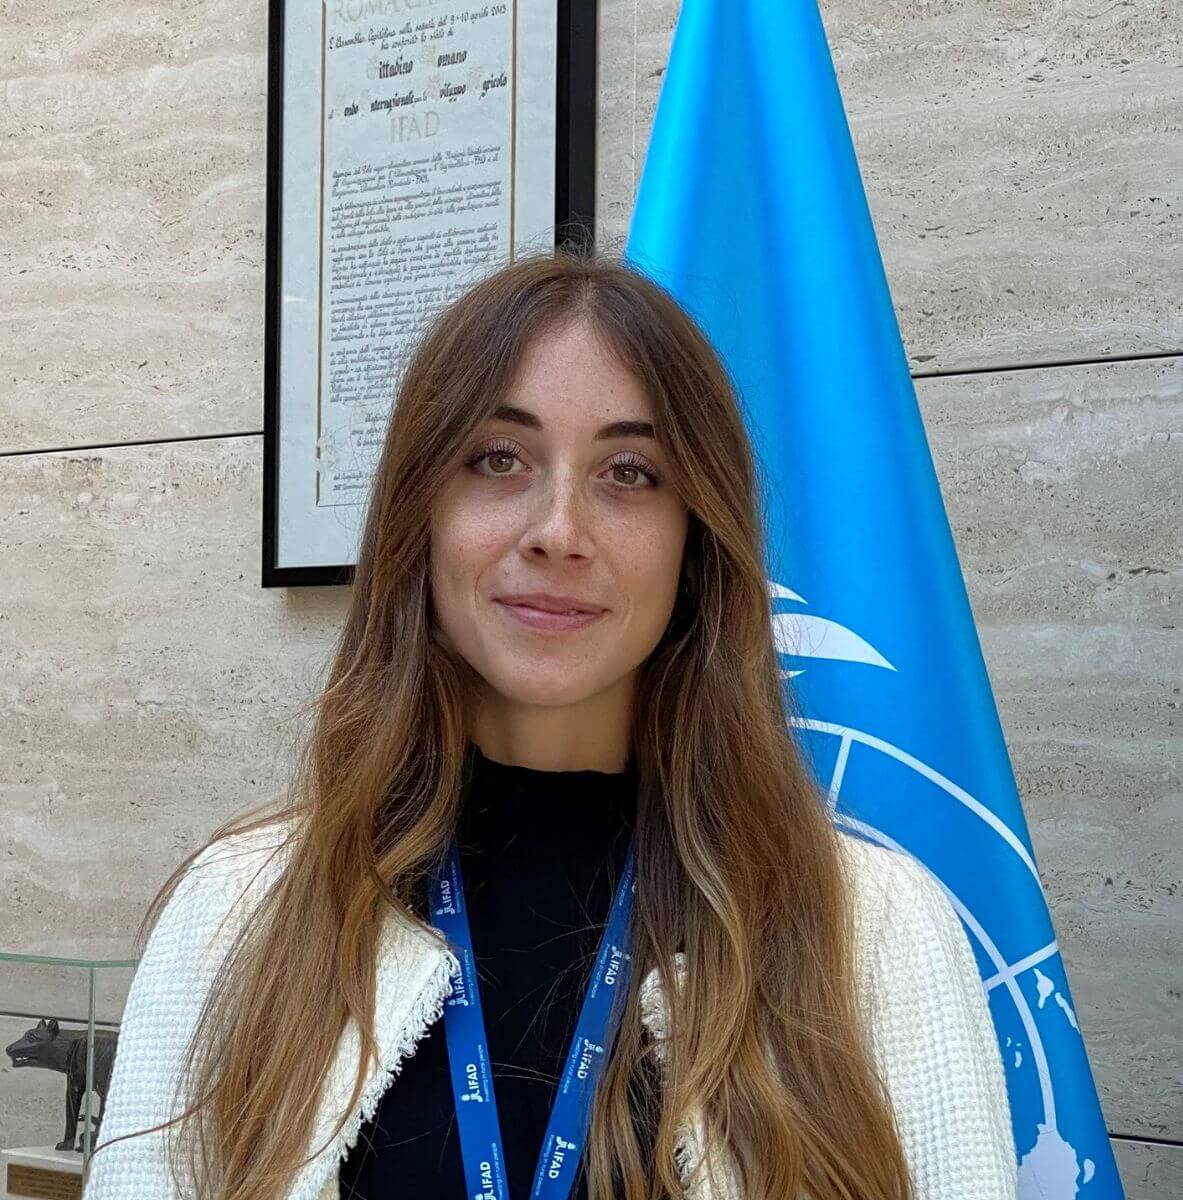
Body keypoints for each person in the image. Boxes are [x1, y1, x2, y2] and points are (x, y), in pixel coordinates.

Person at [81, 248, 1018, 1200]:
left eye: (629, 472)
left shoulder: (878, 932)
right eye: (499, 459)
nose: (559, 530)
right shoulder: (237, 911)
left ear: (695, 542)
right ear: (420, 516)